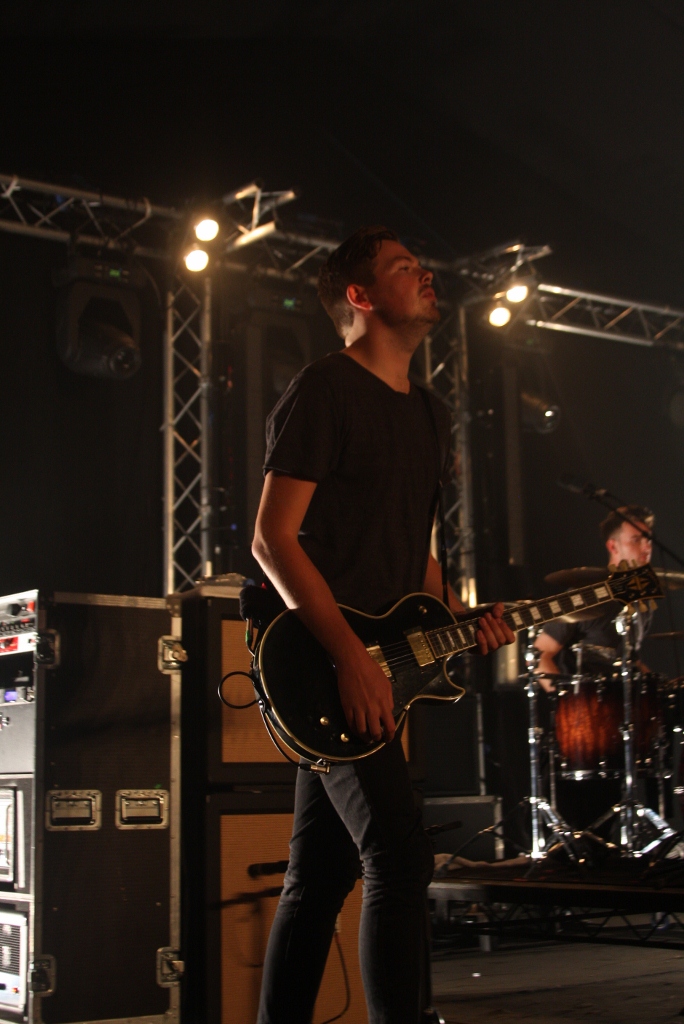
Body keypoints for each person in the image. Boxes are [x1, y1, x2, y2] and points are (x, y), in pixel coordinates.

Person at [251, 225, 515, 1024]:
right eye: (404, 267)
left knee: (320, 875)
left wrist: (459, 621)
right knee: (400, 855)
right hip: (320, 658)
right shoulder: (325, 388)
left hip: (383, 660)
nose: (426, 273)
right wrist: (349, 657)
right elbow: (272, 537)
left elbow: (416, 556)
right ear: (359, 297)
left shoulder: (432, 414)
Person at [534, 505, 654, 685]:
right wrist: (567, 704)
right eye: (636, 540)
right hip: (587, 706)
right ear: (613, 546)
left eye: (649, 540)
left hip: (626, 704)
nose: (646, 547)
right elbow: (540, 654)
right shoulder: (584, 596)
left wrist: (660, 689)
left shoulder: (642, 599)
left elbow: (631, 660)